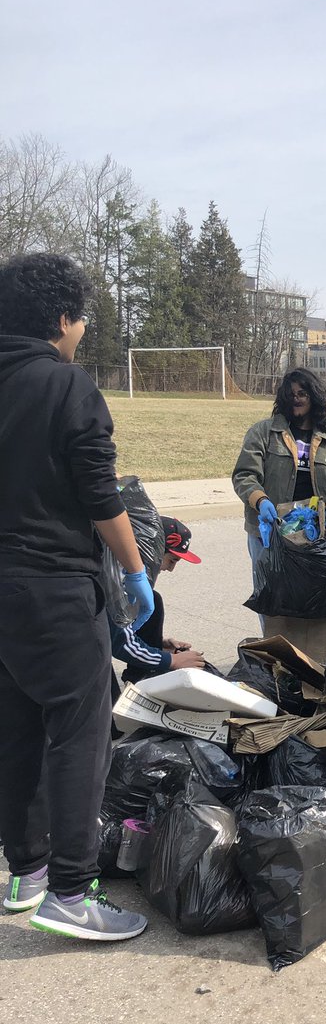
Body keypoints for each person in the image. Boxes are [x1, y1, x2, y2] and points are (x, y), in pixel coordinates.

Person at [0, 252, 152, 940]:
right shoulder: (68, 387)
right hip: (54, 586)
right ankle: (70, 890)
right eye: (82, 318)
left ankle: (25, 872)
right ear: (62, 318)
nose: (83, 331)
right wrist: (135, 570)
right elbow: (101, 495)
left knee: (17, 729)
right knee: (79, 732)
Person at [232, 368, 326, 599]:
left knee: (309, 602)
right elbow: (244, 475)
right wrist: (261, 500)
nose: (295, 399)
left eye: (302, 394)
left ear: (314, 397)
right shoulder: (264, 432)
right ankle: (275, 637)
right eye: (290, 394)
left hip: (310, 535)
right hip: (267, 533)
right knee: (271, 601)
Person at [119, 517, 204, 684]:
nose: (171, 569)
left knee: (153, 600)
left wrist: (158, 643)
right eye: (171, 560)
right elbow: (117, 640)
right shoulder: (114, 581)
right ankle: (142, 680)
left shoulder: (127, 581)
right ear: (153, 550)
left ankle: (144, 678)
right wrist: (169, 660)